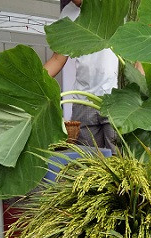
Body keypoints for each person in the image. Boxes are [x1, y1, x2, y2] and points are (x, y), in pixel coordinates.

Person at [44, 0, 119, 152]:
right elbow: (57, 59)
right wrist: (31, 80)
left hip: (117, 98)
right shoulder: (68, 14)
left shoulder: (113, 4)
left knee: (120, 158)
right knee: (87, 160)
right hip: (83, 101)